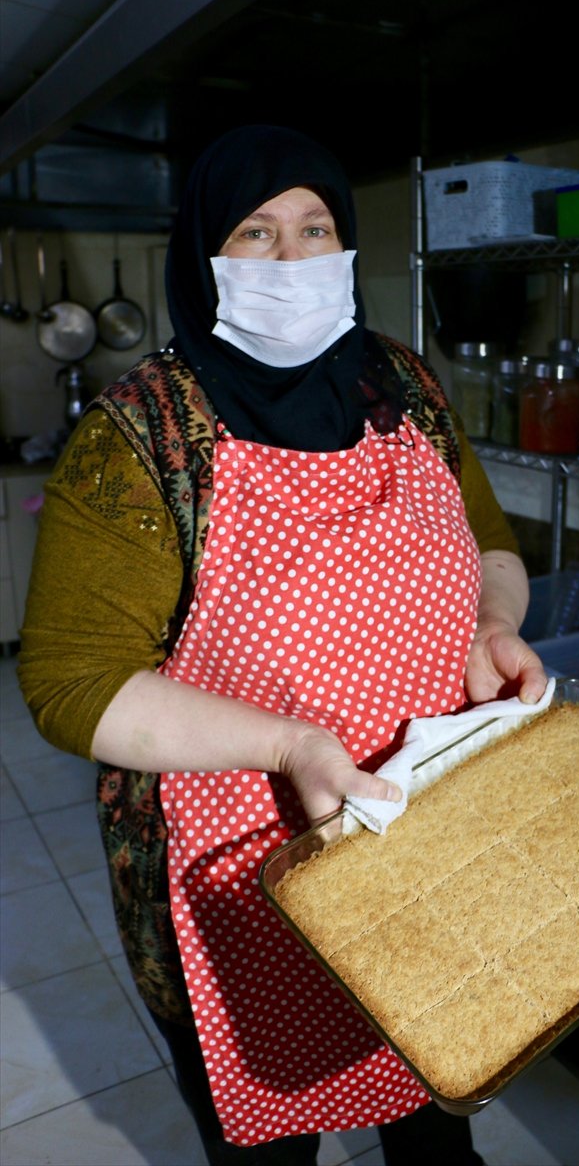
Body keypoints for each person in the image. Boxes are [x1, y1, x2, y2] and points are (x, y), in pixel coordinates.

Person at [18, 125, 547, 1166]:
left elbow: (486, 541)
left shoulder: (401, 385)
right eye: (255, 234)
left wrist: (491, 625)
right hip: (241, 863)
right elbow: (71, 685)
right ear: (202, 257)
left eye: (316, 228)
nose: (296, 260)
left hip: (420, 834)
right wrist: (287, 748)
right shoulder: (137, 438)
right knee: (269, 1144)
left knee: (431, 1104)